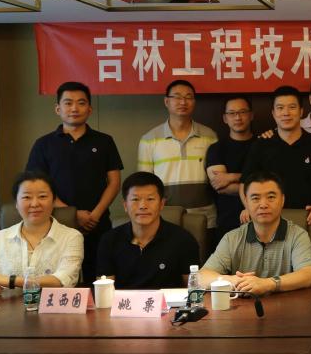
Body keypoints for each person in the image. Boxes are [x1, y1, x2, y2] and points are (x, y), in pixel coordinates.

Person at [26, 81, 122, 284]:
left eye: (81, 103)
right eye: (68, 103)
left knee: (99, 278)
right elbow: (38, 187)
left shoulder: (104, 141)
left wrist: (95, 215)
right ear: (58, 108)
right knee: (62, 278)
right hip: (57, 223)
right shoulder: (44, 144)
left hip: (97, 223)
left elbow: (114, 182)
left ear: (90, 109)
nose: (74, 108)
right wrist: (72, 214)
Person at [0, 171, 83, 295]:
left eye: (42, 196)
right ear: (16, 203)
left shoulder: (71, 237)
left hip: (51, 306)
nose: (35, 204)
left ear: (53, 201)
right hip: (3, 307)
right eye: (26, 197)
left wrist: (11, 281)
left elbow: (64, 279)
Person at [200, 171, 311, 295]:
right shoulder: (232, 238)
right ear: (246, 202)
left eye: (271, 197)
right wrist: (232, 281)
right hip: (244, 305)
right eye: (255, 198)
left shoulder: (297, 235)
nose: (263, 205)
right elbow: (201, 276)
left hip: (285, 305)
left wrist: (268, 284)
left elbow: (308, 274)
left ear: (282, 200)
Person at [240, 86, 311, 226]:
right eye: (280, 108)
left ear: (301, 111)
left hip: (309, 219)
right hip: (269, 219)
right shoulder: (260, 145)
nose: (286, 113)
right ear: (273, 113)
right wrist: (249, 207)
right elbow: (244, 184)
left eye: (292, 107)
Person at [96, 172, 199, 290]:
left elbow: (194, 291)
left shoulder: (183, 240)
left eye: (150, 199)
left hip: (169, 302)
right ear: (125, 205)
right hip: (124, 302)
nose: (143, 206)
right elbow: (104, 292)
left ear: (161, 204)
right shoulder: (109, 240)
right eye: (135, 199)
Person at [137, 79, 218, 228]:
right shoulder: (149, 139)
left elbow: (217, 178)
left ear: (194, 102)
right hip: (165, 217)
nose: (183, 102)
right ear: (166, 101)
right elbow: (145, 184)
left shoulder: (209, 136)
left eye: (188, 97)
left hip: (204, 216)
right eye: (177, 97)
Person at [206, 95, 255, 240]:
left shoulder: (263, 145)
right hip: (227, 221)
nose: (238, 117)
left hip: (260, 219)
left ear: (251, 115)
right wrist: (255, 188)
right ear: (225, 118)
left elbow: (268, 183)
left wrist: (231, 177)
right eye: (232, 113)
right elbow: (221, 187)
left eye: (242, 112)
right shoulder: (216, 149)